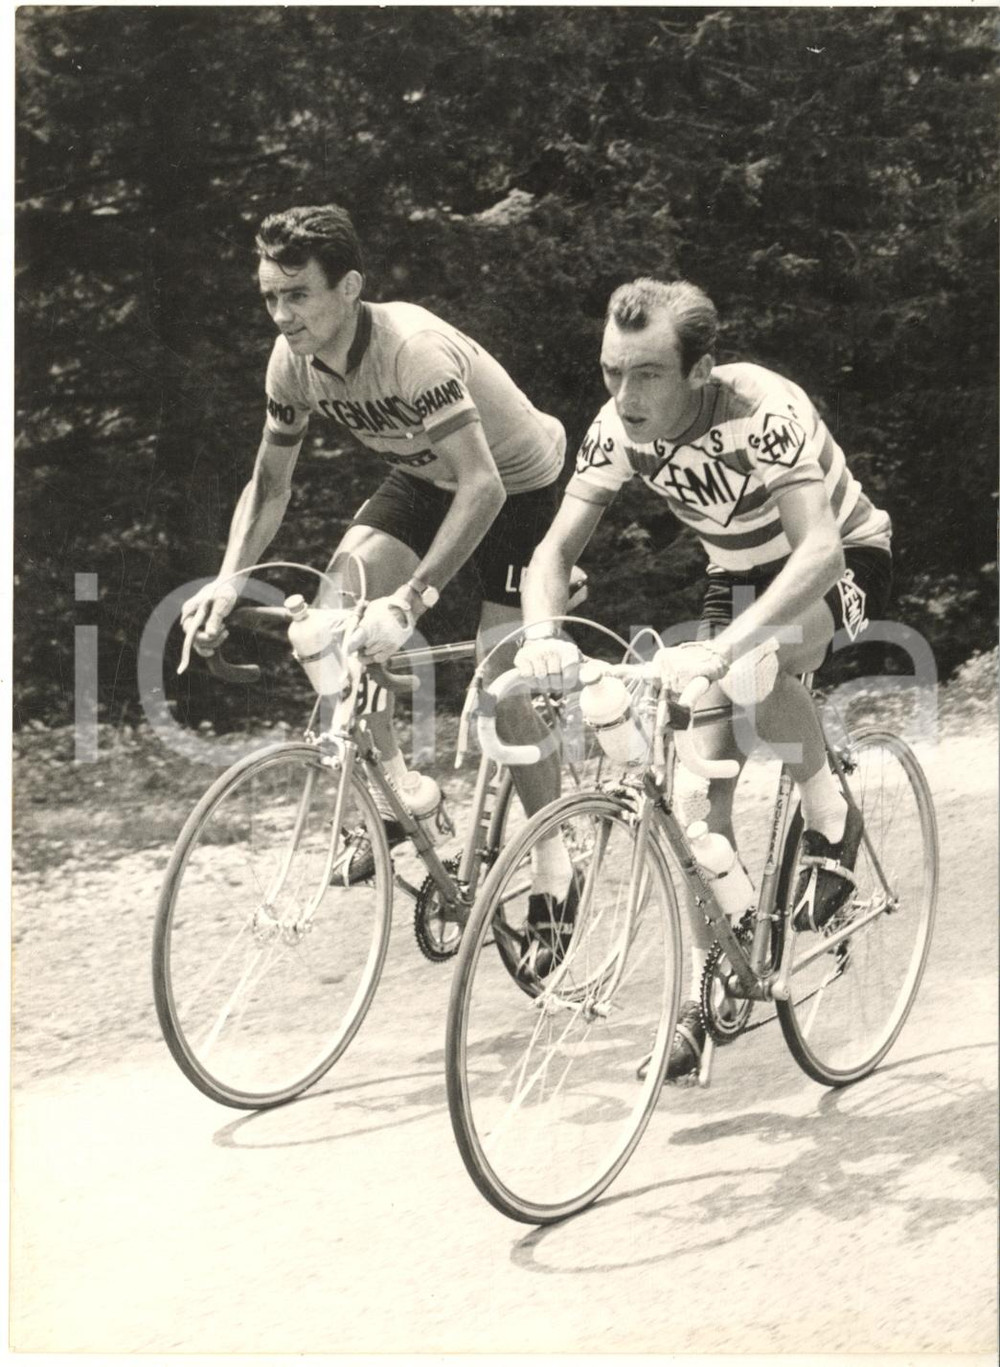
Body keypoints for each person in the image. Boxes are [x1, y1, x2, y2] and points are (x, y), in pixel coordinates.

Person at [515, 277, 892, 1078]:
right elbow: (552, 554)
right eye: (611, 371)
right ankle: (696, 994)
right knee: (692, 799)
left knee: (757, 659)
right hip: (736, 578)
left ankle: (831, 813)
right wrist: (542, 637)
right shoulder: (615, 429)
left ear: (699, 369)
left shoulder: (759, 407)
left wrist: (722, 650)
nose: (623, 394)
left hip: (838, 560)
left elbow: (818, 549)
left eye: (645, 373)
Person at [179, 203, 575, 943]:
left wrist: (413, 598)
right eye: (270, 296)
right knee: (327, 624)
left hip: (517, 486)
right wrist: (228, 578)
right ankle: (405, 798)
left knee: (503, 682)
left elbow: (483, 485)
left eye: (298, 295)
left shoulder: (411, 350)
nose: (282, 314)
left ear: (350, 287)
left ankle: (556, 860)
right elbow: (269, 486)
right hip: (425, 477)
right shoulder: (291, 362)